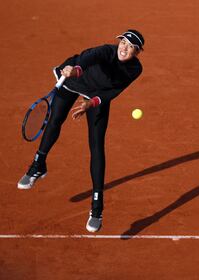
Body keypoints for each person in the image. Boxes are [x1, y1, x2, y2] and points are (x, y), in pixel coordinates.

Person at [17, 29, 144, 233]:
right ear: (118, 42)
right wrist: (74, 71)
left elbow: (112, 92)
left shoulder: (134, 69)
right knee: (54, 120)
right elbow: (87, 57)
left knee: (96, 145)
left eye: (131, 47)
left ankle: (97, 206)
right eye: (123, 43)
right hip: (74, 79)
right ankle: (38, 164)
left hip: (96, 95)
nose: (125, 48)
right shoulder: (105, 51)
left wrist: (90, 104)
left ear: (137, 53)